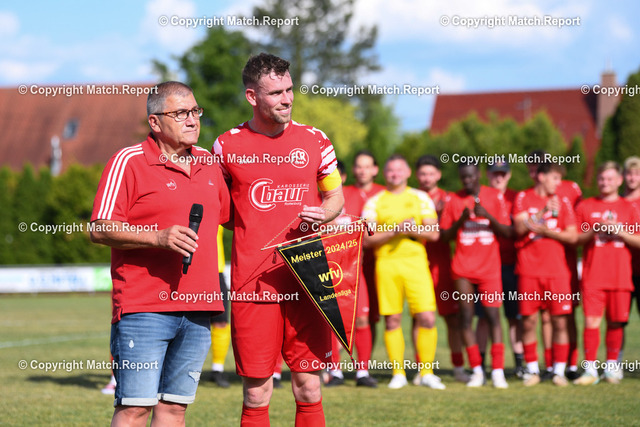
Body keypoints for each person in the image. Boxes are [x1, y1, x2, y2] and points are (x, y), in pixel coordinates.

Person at [212, 53, 344, 426]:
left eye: (289, 89)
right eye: (275, 93)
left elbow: (335, 196)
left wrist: (326, 213)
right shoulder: (226, 146)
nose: (287, 99)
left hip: (308, 278)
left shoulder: (316, 140)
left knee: (309, 387)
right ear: (252, 96)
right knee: (256, 392)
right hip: (252, 284)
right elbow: (222, 211)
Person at [90, 81, 230, 426]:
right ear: (155, 122)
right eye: (180, 113)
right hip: (144, 309)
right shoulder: (128, 161)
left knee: (174, 408)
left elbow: (238, 219)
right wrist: (158, 237)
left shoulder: (210, 163)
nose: (192, 120)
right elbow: (100, 228)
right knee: (135, 407)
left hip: (199, 308)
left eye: (195, 111)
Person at [362, 154, 442, 389]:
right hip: (387, 264)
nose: (395, 174)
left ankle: (426, 373)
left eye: (399, 170)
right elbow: (367, 238)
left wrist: (411, 229)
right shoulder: (375, 202)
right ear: (384, 174)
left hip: (416, 263)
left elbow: (433, 233)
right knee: (392, 319)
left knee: (427, 317)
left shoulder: (421, 197)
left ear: (408, 173)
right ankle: (398, 373)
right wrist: (395, 231)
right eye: (391, 170)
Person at [440, 162, 511, 388]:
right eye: (463, 177)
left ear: (479, 174)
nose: (467, 181)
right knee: (466, 317)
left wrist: (488, 216)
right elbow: (444, 236)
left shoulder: (494, 196)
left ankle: (498, 371)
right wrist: (461, 221)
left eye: (470, 176)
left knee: (493, 317)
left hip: (489, 269)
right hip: (463, 269)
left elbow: (508, 232)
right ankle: (477, 371)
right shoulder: (454, 199)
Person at [512, 162, 578, 387]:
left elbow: (572, 236)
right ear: (541, 177)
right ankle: (532, 371)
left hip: (557, 272)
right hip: (529, 271)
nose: (558, 183)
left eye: (560, 179)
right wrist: (542, 212)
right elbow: (519, 228)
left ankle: (558, 371)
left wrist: (548, 231)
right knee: (528, 322)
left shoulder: (563, 201)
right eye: (555, 178)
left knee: (560, 322)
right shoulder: (523, 197)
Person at [574, 161, 640, 385]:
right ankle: (590, 370)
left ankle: (612, 368)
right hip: (593, 276)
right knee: (591, 321)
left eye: (610, 178)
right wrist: (595, 228)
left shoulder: (630, 208)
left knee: (616, 322)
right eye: (602, 178)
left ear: (619, 180)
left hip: (620, 276)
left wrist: (620, 231)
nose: (605, 182)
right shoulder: (586, 206)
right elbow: (576, 238)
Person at [527, 150, 582, 379]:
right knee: (545, 317)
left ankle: (571, 365)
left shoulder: (570, 189)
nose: (533, 172)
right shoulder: (528, 195)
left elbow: (576, 225)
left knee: (566, 316)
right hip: (538, 266)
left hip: (563, 263)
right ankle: (550, 365)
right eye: (530, 168)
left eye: (537, 167)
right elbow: (523, 225)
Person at [415, 155, 469, 384]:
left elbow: (453, 232)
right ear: (417, 175)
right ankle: (422, 369)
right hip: (416, 264)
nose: (427, 178)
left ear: (438, 175)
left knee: (452, 318)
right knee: (419, 319)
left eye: (431, 173)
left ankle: (458, 367)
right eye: (423, 173)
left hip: (443, 265)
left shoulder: (449, 199)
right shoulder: (411, 198)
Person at [324, 160, 377, 388]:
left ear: (343, 177)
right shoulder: (315, 200)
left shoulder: (358, 197)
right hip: (327, 272)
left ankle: (362, 372)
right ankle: (335, 372)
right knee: (331, 321)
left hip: (354, 270)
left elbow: (369, 228)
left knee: (362, 319)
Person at [475, 160, 524, 379]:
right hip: (485, 265)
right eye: (495, 173)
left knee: (514, 316)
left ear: (509, 175)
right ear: (488, 174)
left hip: (511, 264)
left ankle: (519, 364)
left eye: (502, 174)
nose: (499, 177)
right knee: (484, 316)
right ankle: (480, 366)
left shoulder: (516, 198)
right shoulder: (480, 195)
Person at [351, 150, 386, 348]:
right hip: (351, 266)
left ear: (375, 169)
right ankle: (336, 362)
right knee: (352, 316)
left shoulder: (385, 194)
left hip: (380, 263)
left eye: (367, 166)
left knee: (373, 316)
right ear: (354, 169)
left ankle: (366, 362)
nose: (363, 171)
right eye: (359, 166)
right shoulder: (343, 194)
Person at [210, 226, 231, 388]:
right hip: (187, 269)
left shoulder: (219, 210)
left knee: (221, 322)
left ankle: (217, 369)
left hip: (216, 270)